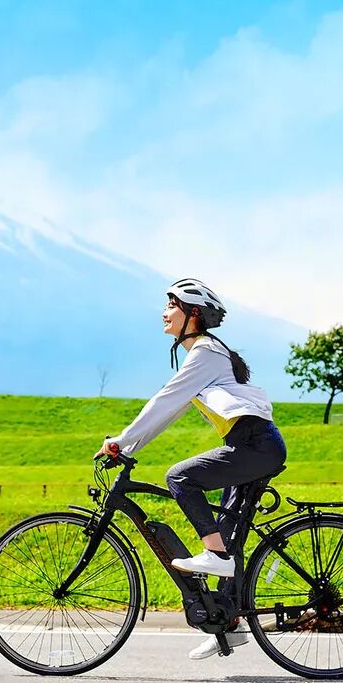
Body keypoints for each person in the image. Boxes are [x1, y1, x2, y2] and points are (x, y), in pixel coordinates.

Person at [95, 278, 287, 660]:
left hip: (254, 445)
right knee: (230, 539)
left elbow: (165, 400)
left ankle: (213, 556)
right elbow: (172, 409)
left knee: (180, 476)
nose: (164, 312)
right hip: (250, 445)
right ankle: (229, 625)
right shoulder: (206, 354)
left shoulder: (206, 352)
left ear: (193, 315)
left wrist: (122, 442)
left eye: (172, 305)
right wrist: (132, 443)